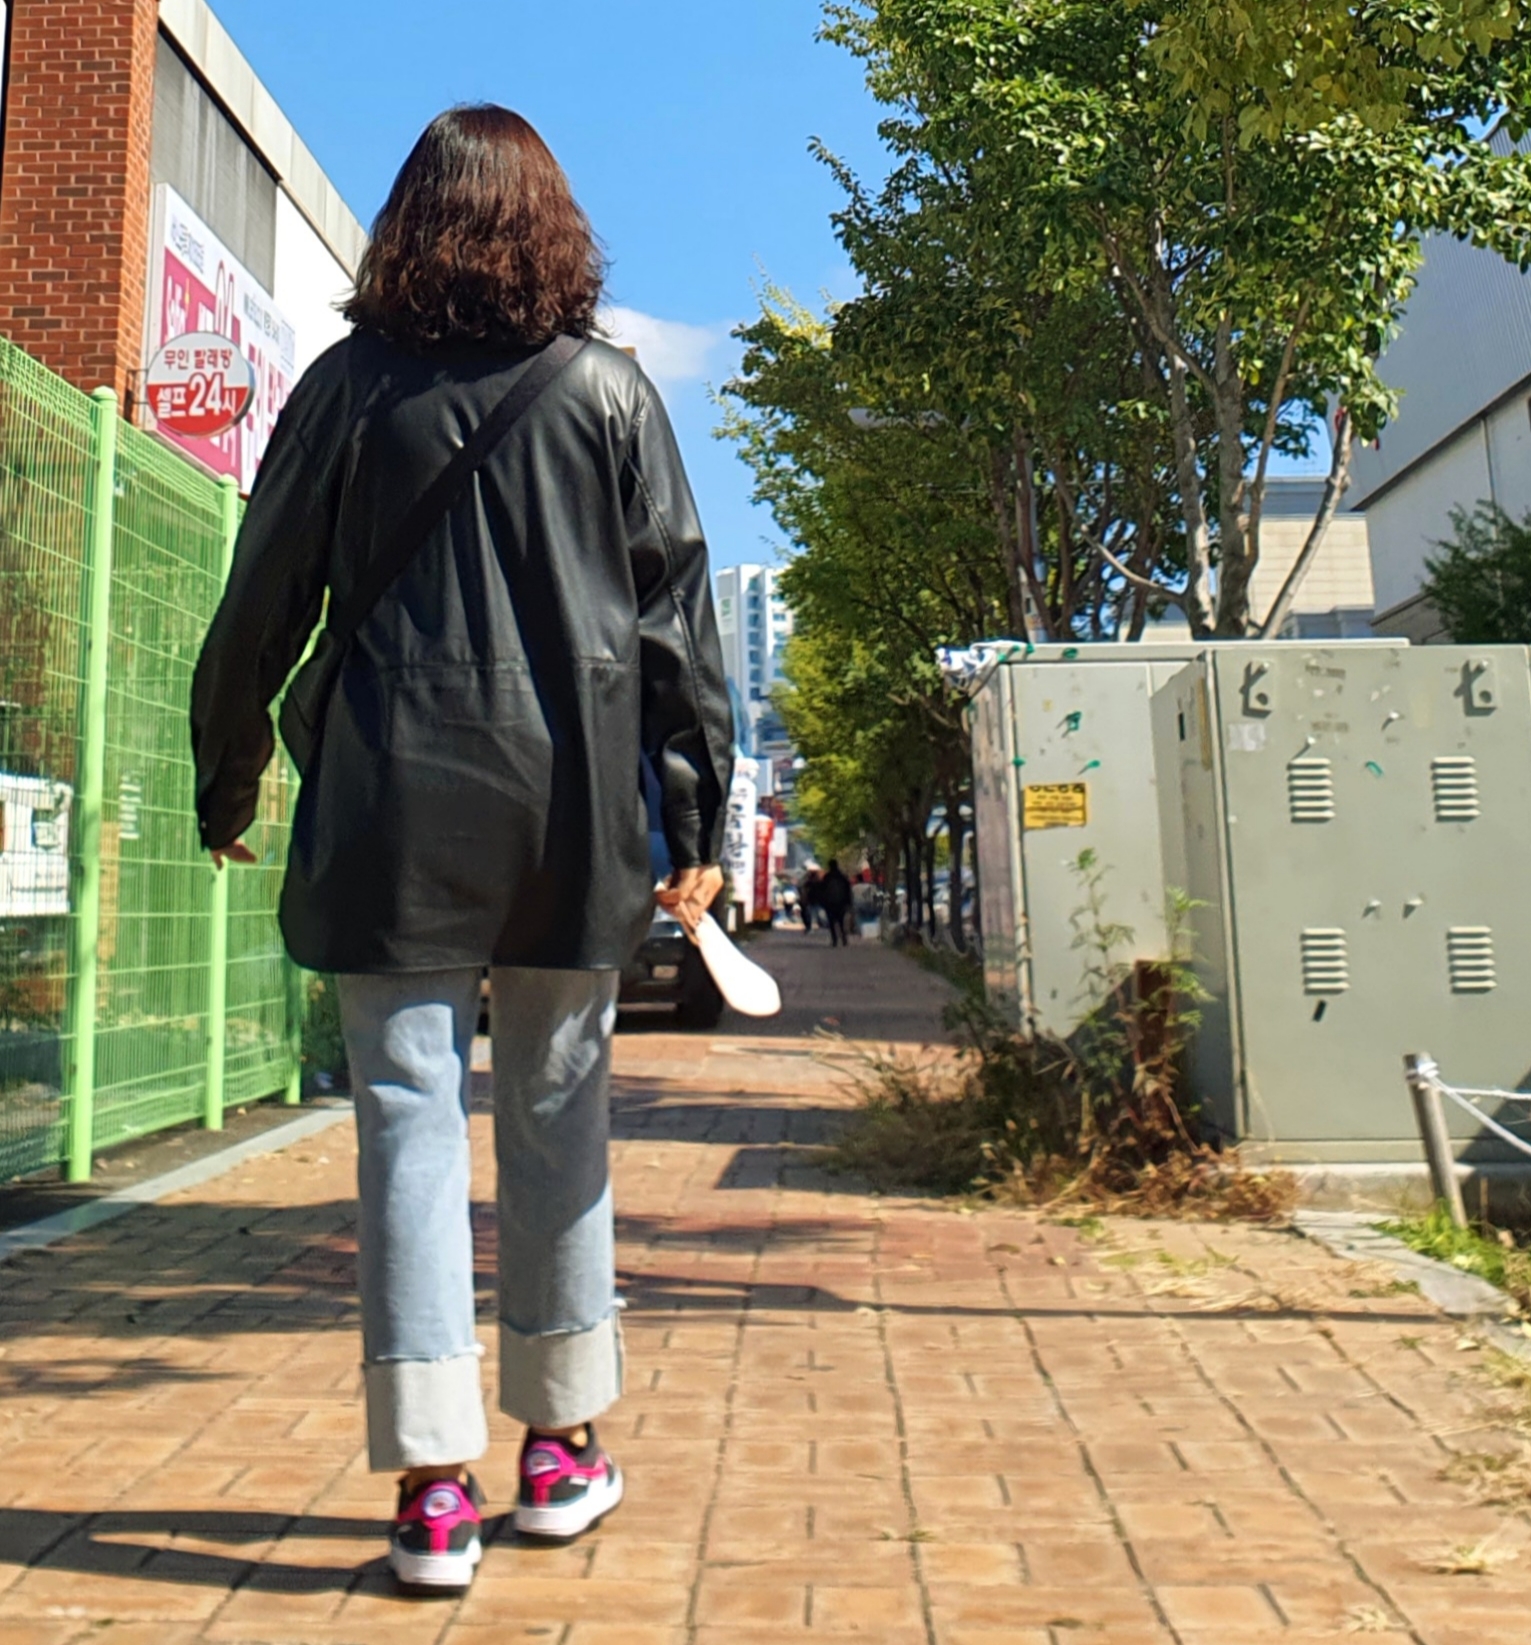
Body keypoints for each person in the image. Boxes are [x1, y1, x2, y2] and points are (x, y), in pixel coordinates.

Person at [190, 106, 731, 1592]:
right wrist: (693, 816)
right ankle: (561, 1447)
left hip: (391, 802)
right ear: (555, 226)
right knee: (562, 1113)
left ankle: (432, 1488)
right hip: (567, 812)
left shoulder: (347, 390)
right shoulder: (612, 395)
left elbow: (263, 599)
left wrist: (227, 772)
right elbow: (676, 613)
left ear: (406, 226)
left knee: (406, 1123)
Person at [820, 859, 854, 948]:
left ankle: (834, 939)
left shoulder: (827, 877)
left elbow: (822, 890)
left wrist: (823, 902)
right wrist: (849, 902)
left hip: (830, 903)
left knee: (831, 922)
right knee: (841, 921)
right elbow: (848, 890)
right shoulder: (842, 877)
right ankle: (844, 938)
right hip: (841, 903)